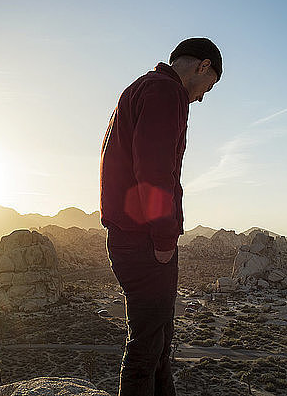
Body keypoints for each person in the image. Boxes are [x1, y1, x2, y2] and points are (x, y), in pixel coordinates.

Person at [99, 37, 222, 396]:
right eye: (208, 87)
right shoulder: (166, 92)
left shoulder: (139, 88)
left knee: (158, 343)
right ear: (202, 66)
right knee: (147, 347)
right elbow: (153, 172)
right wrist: (165, 239)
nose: (201, 97)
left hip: (128, 236)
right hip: (145, 241)